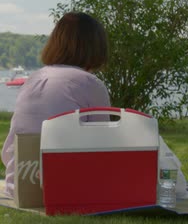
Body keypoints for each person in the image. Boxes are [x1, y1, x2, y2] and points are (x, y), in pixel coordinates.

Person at [1, 12, 111, 197]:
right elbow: (105, 145)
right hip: (65, 188)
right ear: (97, 47)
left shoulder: (33, 79)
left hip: (19, 185)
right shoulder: (90, 84)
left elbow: (10, 146)